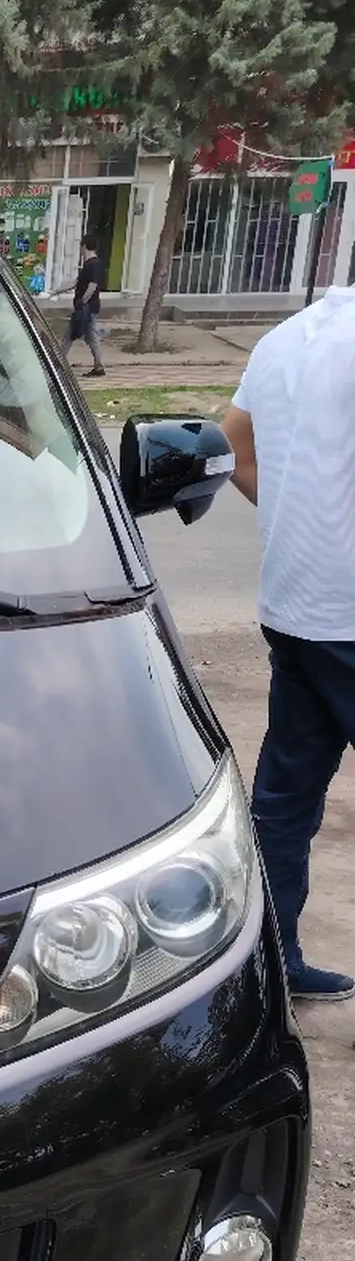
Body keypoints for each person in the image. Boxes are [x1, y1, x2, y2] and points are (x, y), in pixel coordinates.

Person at [221, 281, 355, 1000]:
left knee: (285, 796)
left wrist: (298, 528)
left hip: (296, 605)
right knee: (286, 795)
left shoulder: (282, 342)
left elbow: (229, 444)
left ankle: (273, 965)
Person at [60, 240, 107, 375]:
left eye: (80, 247)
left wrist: (82, 301)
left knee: (69, 335)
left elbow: (92, 286)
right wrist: (56, 291)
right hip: (87, 307)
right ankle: (98, 366)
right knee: (90, 336)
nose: (80, 250)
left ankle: (58, 364)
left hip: (87, 308)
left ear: (84, 246)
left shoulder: (94, 264)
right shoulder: (88, 264)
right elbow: (76, 283)